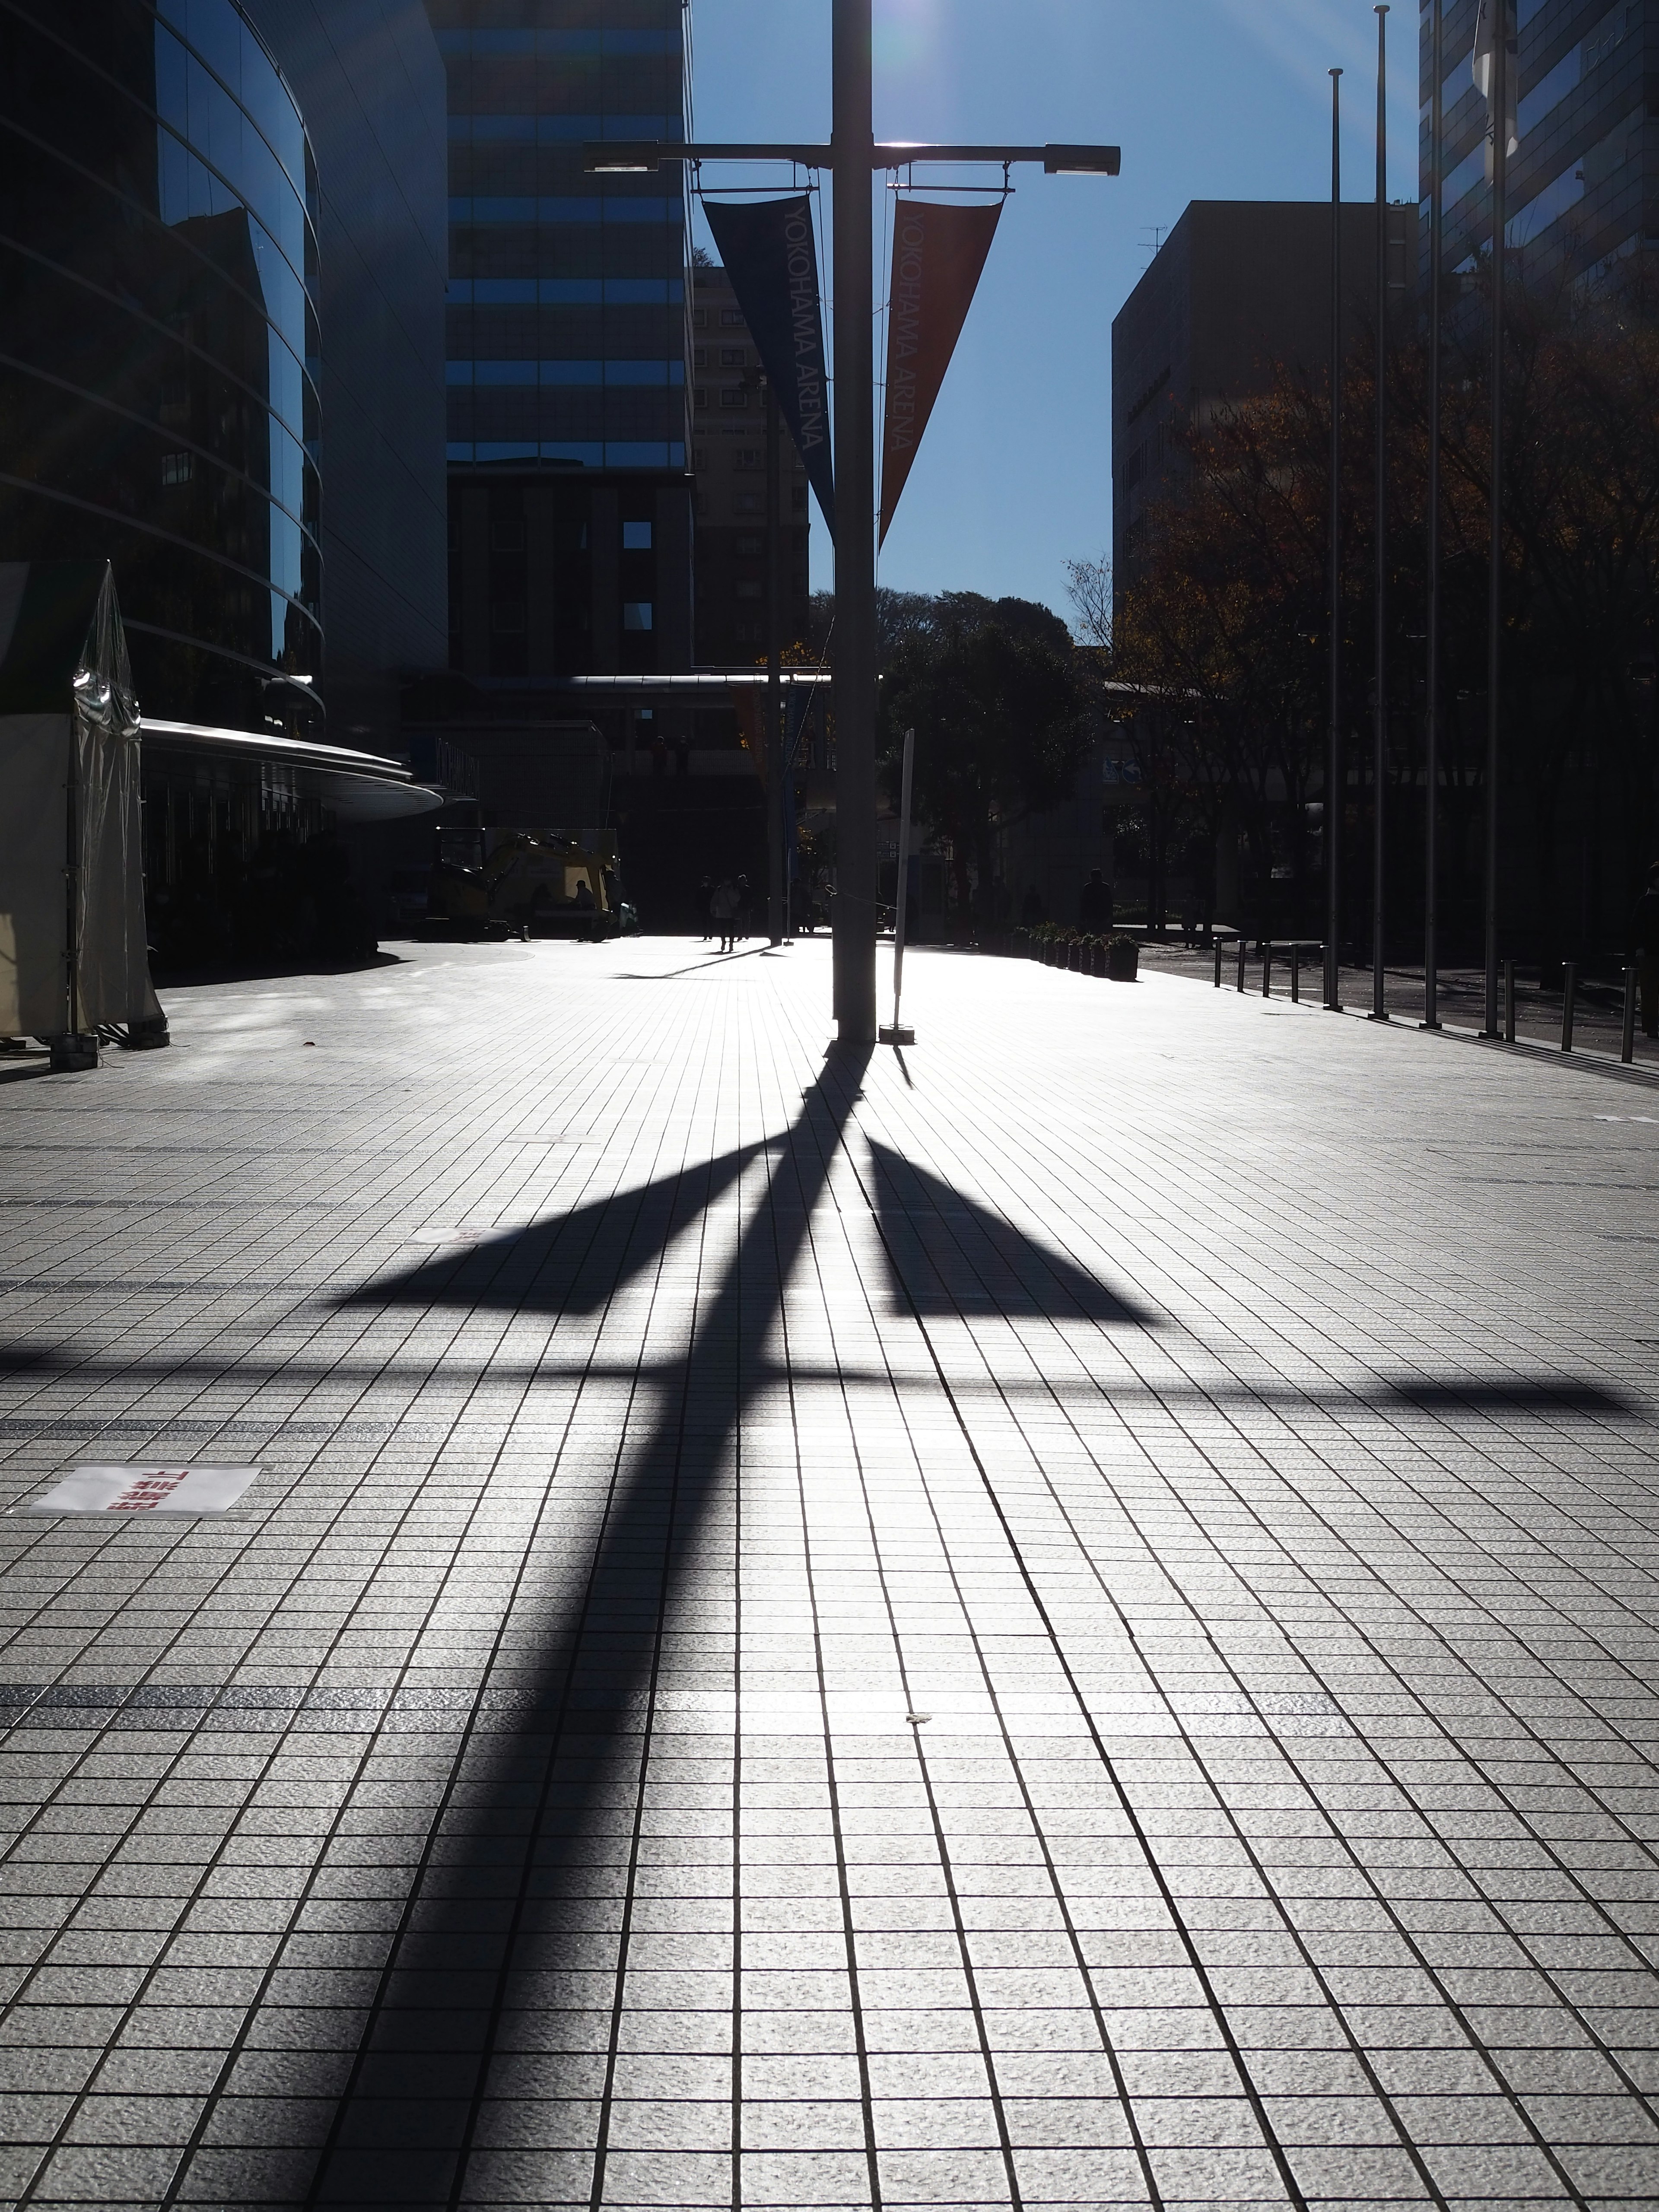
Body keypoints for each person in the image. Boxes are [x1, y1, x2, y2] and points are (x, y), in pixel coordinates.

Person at [1634, 861, 1659, 1038]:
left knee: (1650, 991)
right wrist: (1639, 947)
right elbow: (1636, 927)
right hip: (1649, 953)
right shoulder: (1645, 902)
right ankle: (1651, 1026)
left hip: (1650, 951)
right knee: (1649, 991)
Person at [1078, 868, 1113, 937]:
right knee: (1103, 934)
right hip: (1103, 915)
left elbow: (1084, 903)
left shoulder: (1088, 888)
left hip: (1091, 915)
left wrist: (1082, 917)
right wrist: (1110, 915)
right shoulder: (1105, 887)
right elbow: (1109, 902)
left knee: (1092, 934)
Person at [711, 875, 739, 953]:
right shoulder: (719, 889)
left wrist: (730, 892)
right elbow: (715, 900)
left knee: (731, 930)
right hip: (722, 913)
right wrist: (713, 909)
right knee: (722, 930)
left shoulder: (734, 889)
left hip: (731, 913)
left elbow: (738, 899)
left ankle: (731, 944)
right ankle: (723, 942)